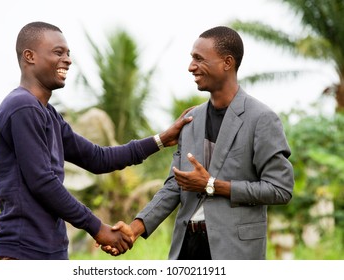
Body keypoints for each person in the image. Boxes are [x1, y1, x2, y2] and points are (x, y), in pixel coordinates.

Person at [0, 21, 192, 260]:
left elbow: (97, 158)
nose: (68, 60)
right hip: (23, 251)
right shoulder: (21, 107)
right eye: (58, 52)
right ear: (29, 56)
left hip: (51, 250)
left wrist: (161, 139)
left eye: (68, 53)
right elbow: (42, 181)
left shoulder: (48, 114)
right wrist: (97, 228)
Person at [104, 26, 294, 260]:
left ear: (227, 62)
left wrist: (213, 185)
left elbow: (280, 189)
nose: (191, 66)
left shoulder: (262, 119)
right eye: (192, 58)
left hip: (234, 252)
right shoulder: (191, 120)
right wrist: (134, 229)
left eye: (199, 59)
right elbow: (175, 185)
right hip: (186, 248)